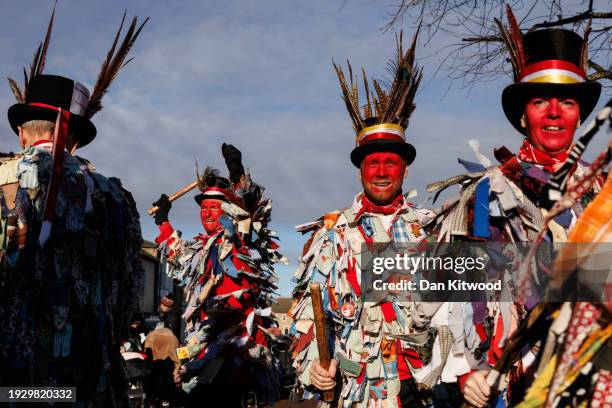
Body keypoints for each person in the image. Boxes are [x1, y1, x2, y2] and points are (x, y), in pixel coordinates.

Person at [425, 8, 605, 407]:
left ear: (579, 115)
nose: (554, 112)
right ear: (524, 116)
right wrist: (467, 368)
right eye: (541, 100)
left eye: (568, 102)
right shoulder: (486, 195)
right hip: (512, 388)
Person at [290, 32, 467, 407]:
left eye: (391, 161)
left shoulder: (434, 229)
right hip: (361, 396)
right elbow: (309, 320)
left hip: (426, 391)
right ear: (360, 172)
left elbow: (466, 305)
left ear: (405, 168)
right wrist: (314, 368)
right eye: (373, 162)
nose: (382, 170)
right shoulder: (333, 234)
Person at [0, 8, 147, 406]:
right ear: (75, 141)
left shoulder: (5, 181)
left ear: (21, 131)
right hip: (88, 380)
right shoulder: (118, 199)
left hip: (14, 380)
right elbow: (128, 294)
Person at [152, 144, 286, 407]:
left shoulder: (241, 242)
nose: (207, 212)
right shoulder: (201, 249)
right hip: (206, 346)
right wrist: (163, 221)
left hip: (236, 348)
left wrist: (236, 177)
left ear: (228, 211)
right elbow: (178, 256)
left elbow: (251, 215)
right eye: (203, 208)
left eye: (214, 207)